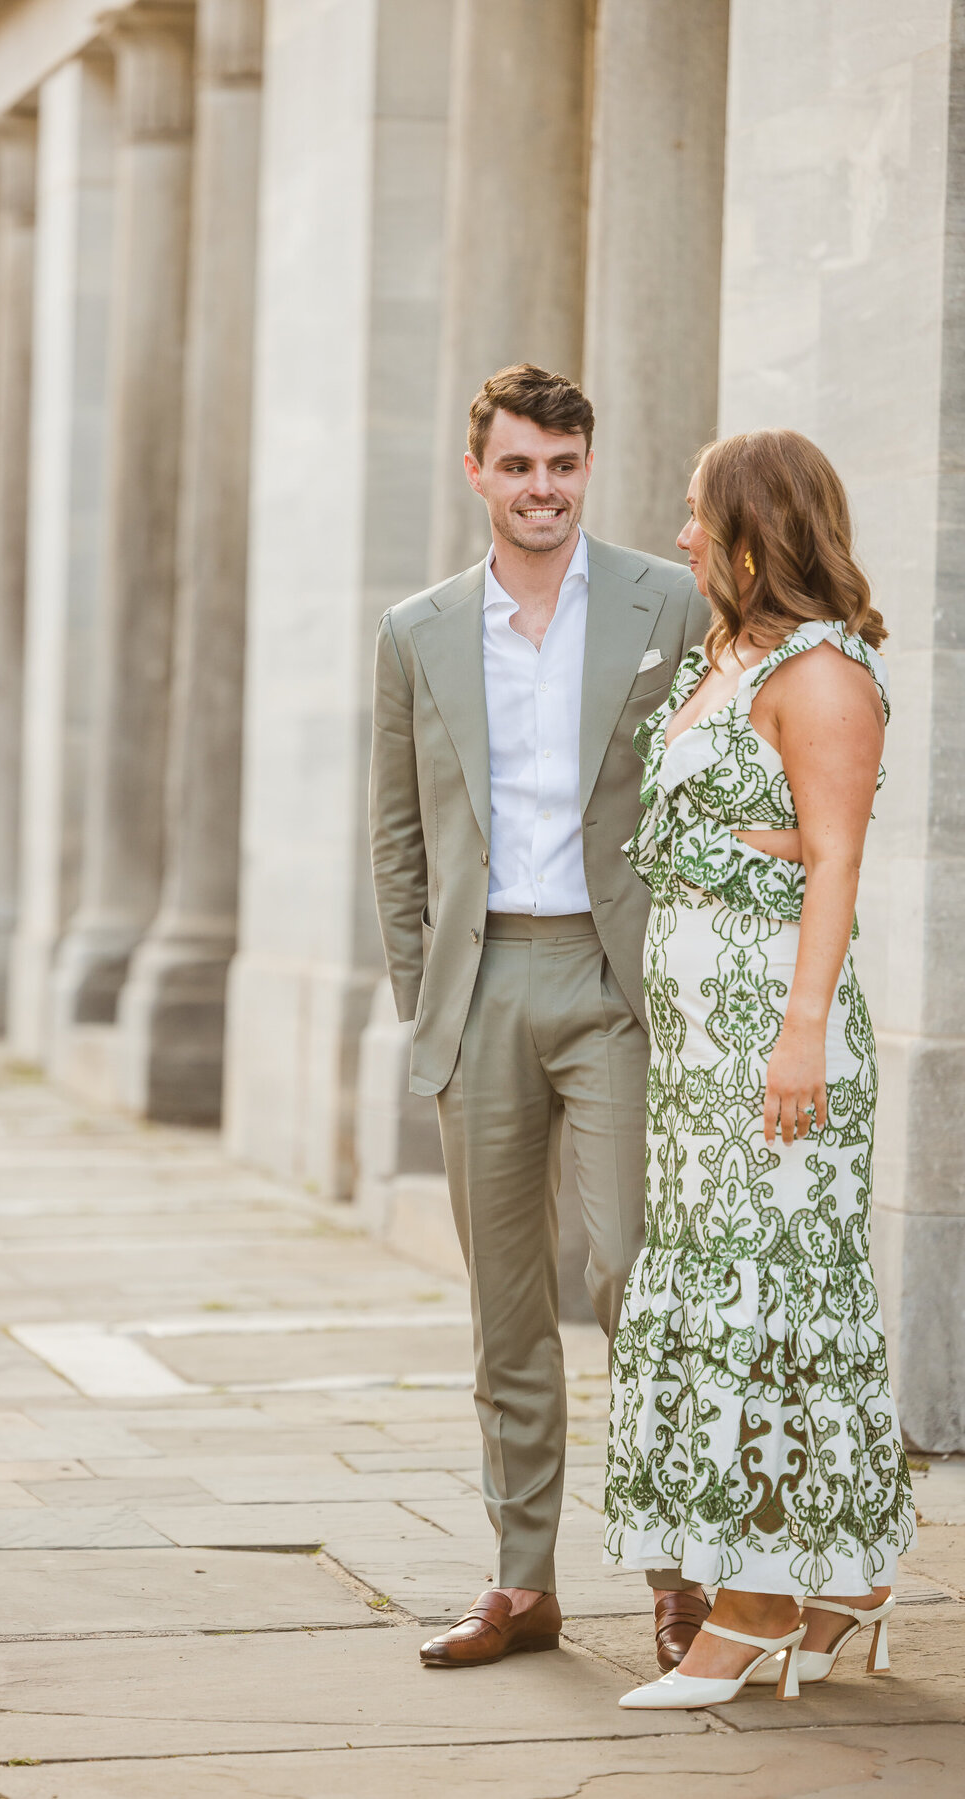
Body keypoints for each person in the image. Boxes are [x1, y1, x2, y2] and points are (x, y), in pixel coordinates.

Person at [369, 363, 711, 1672]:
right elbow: (397, 842)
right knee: (504, 1304)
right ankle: (524, 1582)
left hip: (612, 984)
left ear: (586, 465)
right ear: (479, 473)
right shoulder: (417, 630)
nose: (545, 490)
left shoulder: (661, 602)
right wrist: (426, 997)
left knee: (636, 1266)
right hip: (482, 985)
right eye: (519, 466)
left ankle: (680, 1571)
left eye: (564, 465)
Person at [606, 428, 917, 1710]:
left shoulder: (824, 670)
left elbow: (835, 858)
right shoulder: (721, 656)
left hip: (776, 1045)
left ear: (753, 527)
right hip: (697, 1056)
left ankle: (760, 1601)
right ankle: (849, 1579)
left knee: (774, 1305)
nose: (679, 534)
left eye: (695, 514)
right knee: (730, 1297)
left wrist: (798, 1034)